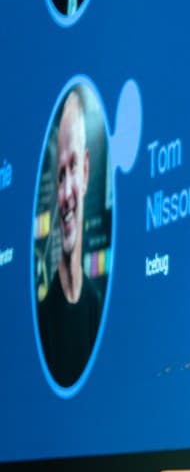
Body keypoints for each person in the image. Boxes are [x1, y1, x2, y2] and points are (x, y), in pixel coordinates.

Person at [37, 88, 102, 388]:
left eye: (73, 167)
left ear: (87, 171)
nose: (65, 194)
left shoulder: (97, 307)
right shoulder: (42, 320)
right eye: (59, 174)